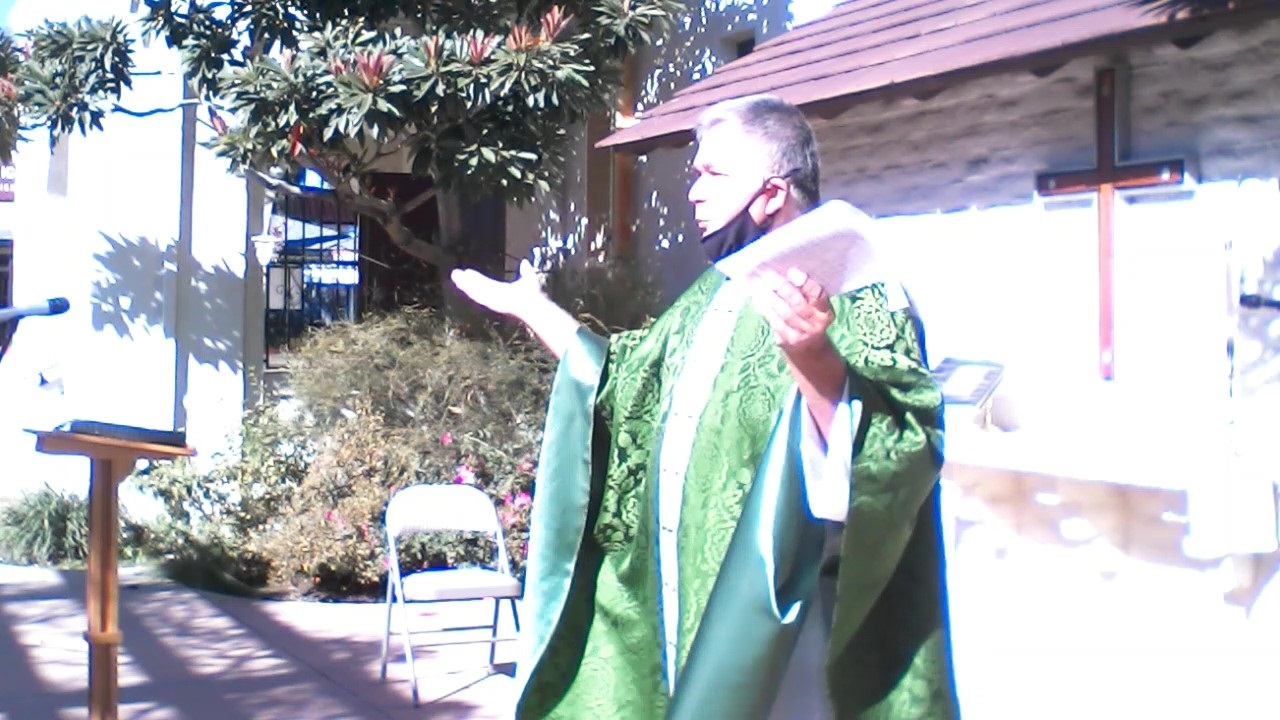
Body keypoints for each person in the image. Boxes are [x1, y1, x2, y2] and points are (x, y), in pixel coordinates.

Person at [451, 94, 959, 719]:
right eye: (696, 172)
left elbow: (899, 454)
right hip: (674, 607)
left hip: (791, 637)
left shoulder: (858, 288)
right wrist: (533, 308)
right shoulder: (708, 296)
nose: (693, 191)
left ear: (772, 194)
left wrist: (814, 357)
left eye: (713, 175)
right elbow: (616, 379)